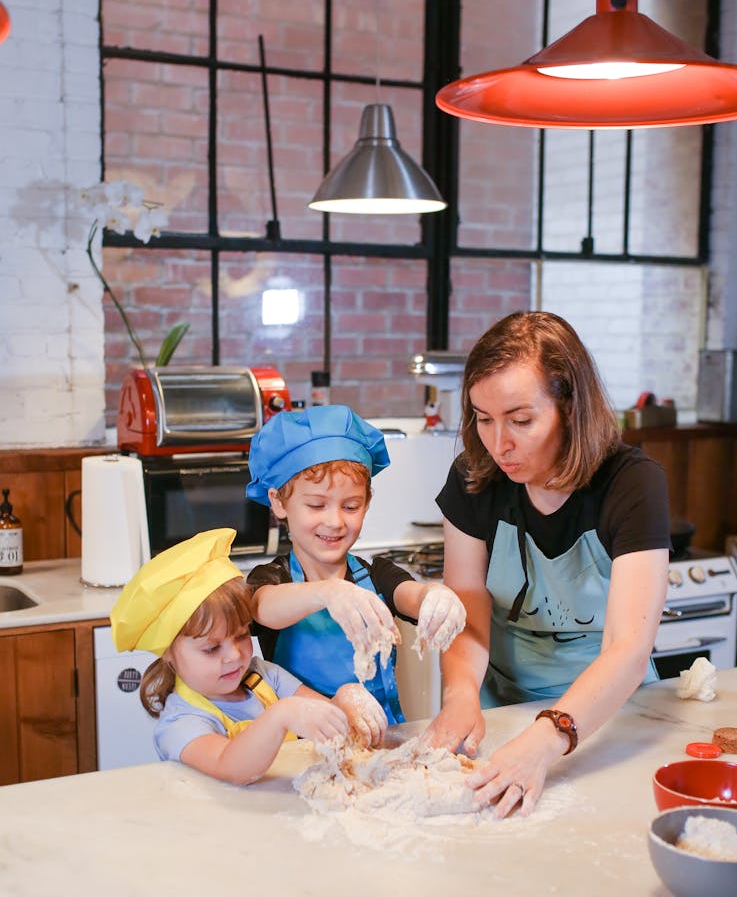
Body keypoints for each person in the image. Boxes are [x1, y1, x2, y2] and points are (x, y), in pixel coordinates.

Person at [426, 311, 670, 818]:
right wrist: (461, 692)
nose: (499, 444)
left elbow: (628, 646)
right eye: (482, 418)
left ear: (570, 409)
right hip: (505, 708)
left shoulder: (632, 485)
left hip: (611, 714)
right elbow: (466, 600)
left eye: (520, 420)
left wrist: (547, 737)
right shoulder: (476, 477)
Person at [245, 404, 466, 729]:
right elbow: (260, 607)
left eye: (351, 506)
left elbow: (413, 596)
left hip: (383, 741)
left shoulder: (377, 576)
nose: (334, 521)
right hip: (303, 749)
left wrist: (436, 596)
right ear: (279, 502)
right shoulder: (273, 581)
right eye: (316, 505)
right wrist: (327, 593)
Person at [109, 528, 387, 786]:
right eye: (211, 648)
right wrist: (281, 715)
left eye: (242, 635)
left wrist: (345, 698)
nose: (234, 656)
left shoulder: (264, 676)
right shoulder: (182, 721)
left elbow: (324, 717)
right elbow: (230, 766)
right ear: (169, 653)